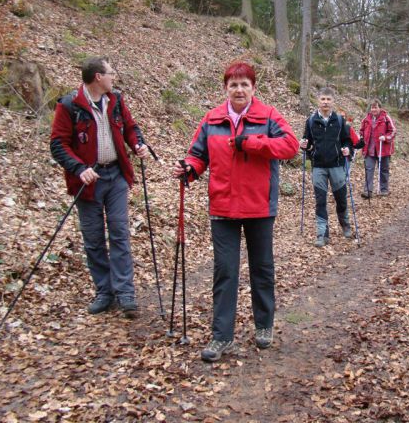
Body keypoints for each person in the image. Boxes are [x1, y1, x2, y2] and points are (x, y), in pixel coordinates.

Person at [172, 62, 298, 362]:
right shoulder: (212, 119)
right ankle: (222, 336)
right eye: (233, 84)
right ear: (225, 88)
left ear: (253, 88)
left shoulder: (268, 116)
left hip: (259, 205)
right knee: (225, 272)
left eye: (244, 84)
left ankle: (264, 326)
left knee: (262, 269)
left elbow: (290, 146)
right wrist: (189, 169)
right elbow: (198, 155)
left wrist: (252, 143)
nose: (239, 89)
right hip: (223, 206)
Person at [50, 56, 149, 319]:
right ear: (98, 77)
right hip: (88, 181)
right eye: (110, 73)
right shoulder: (70, 105)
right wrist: (79, 168)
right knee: (93, 239)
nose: (113, 77)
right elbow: (58, 144)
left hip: (116, 175)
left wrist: (137, 143)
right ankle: (104, 291)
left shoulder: (115, 100)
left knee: (119, 232)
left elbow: (130, 127)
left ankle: (125, 291)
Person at [300, 87, 353, 248]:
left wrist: (347, 148)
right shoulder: (310, 121)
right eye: (323, 99)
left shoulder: (339, 120)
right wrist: (304, 145)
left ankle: (345, 224)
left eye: (328, 99)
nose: (325, 102)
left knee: (341, 199)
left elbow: (347, 140)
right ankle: (322, 234)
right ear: (318, 100)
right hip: (318, 167)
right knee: (320, 201)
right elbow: (306, 141)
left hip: (337, 165)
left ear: (332, 101)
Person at [358, 99, 396, 197]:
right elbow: (361, 130)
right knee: (369, 169)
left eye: (375, 107)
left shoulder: (386, 118)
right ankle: (368, 191)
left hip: (383, 149)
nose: (373, 109)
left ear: (380, 108)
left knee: (383, 169)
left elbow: (393, 131)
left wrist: (386, 137)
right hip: (369, 149)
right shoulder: (366, 119)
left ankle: (384, 190)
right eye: (372, 107)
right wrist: (361, 137)